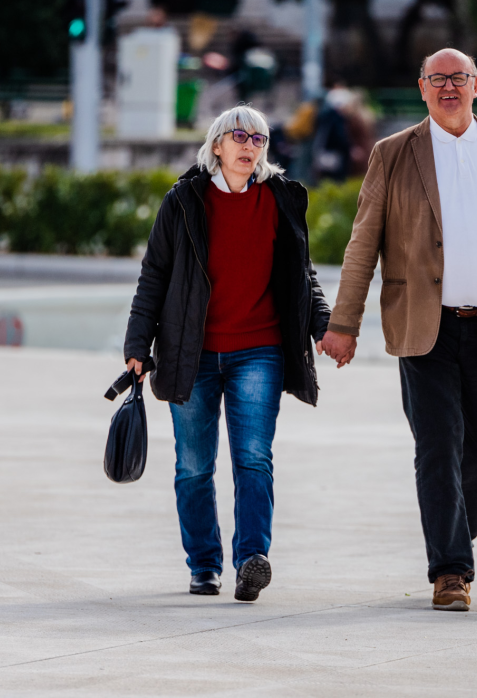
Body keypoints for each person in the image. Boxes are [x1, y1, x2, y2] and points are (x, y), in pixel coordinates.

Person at [318, 49, 477, 612]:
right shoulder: (392, 154)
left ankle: (451, 530)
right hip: (422, 326)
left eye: (459, 78)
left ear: (476, 84)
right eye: (437, 79)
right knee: (437, 446)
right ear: (422, 88)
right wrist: (343, 324)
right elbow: (362, 245)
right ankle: (451, 571)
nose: (448, 87)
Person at [123, 105, 331, 602]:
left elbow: (303, 276)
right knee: (194, 465)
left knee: (254, 458)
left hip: (259, 349)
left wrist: (325, 325)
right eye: (238, 135)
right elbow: (154, 276)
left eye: (259, 138)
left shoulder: (280, 199)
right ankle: (203, 564)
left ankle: (251, 560)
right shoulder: (183, 201)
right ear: (217, 144)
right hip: (190, 353)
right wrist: (137, 345)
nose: (249, 144)